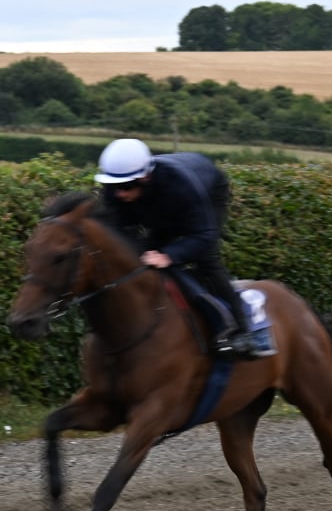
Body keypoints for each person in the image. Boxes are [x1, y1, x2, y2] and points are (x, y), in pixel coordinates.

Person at [94, 138, 269, 358]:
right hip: (163, 201)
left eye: (126, 187)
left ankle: (244, 330)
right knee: (143, 254)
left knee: (206, 260)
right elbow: (118, 234)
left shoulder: (180, 187)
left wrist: (170, 255)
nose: (119, 194)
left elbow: (204, 235)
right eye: (113, 187)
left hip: (208, 190)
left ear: (145, 177)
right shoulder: (115, 190)